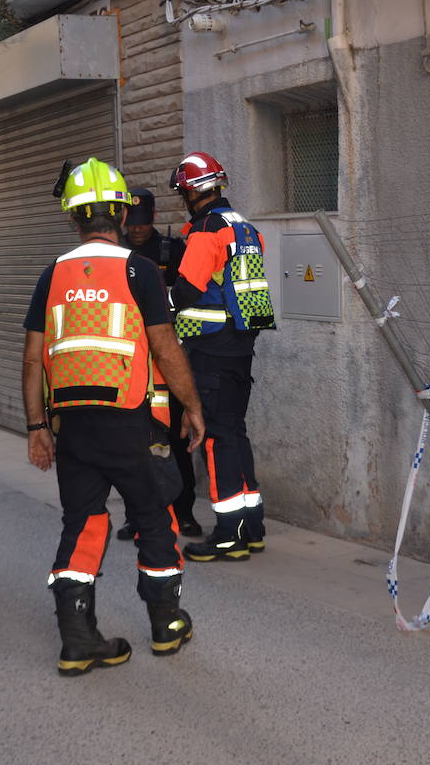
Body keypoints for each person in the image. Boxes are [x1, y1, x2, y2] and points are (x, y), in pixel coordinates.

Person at [22, 157, 205, 676]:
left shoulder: (51, 275)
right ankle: (167, 627)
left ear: (73, 217)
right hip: (134, 423)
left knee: (83, 523)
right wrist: (193, 407)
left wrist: (37, 427)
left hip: (73, 427)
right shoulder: (139, 271)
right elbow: (165, 348)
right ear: (123, 212)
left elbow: (34, 357)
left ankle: (78, 640)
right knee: (153, 518)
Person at [169, 151, 276, 562]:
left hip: (209, 346)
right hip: (241, 345)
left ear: (192, 192)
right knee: (235, 432)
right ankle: (252, 528)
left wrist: (157, 299)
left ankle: (229, 535)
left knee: (216, 437)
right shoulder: (246, 229)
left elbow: (188, 291)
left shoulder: (207, 232)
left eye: (182, 192)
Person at [115, 187, 201, 539]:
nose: (136, 229)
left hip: (167, 360)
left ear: (152, 216)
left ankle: (184, 512)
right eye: (131, 223)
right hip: (130, 364)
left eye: (142, 222)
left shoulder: (173, 251)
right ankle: (136, 515)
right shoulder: (115, 254)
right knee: (134, 443)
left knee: (177, 440)